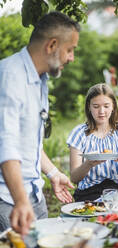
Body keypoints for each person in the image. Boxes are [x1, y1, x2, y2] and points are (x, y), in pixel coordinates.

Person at [0, 11, 80, 236]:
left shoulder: (40, 79)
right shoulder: (10, 76)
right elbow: (6, 147)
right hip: (9, 201)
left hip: (33, 196)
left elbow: (29, 141)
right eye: (70, 49)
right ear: (52, 45)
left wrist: (53, 173)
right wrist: (21, 202)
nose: (72, 57)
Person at [67, 83, 118, 202]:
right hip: (88, 194)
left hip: (116, 192)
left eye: (106, 106)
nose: (101, 111)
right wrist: (88, 164)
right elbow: (74, 178)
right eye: (96, 106)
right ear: (89, 107)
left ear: (113, 106)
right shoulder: (79, 133)